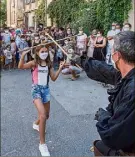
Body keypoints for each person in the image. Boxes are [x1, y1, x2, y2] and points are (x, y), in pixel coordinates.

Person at [84, 31, 135, 156]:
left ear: (117, 55)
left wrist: (103, 116)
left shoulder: (132, 89)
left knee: (100, 146)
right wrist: (83, 61)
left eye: (112, 51)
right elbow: (105, 70)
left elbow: (113, 135)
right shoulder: (126, 74)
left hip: (129, 147)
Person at [18, 46, 65, 156]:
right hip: (36, 90)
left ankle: (36, 124)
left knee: (46, 115)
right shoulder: (34, 63)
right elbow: (20, 66)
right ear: (37, 53)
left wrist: (60, 68)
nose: (44, 53)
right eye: (42, 51)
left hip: (46, 90)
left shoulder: (49, 64)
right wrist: (23, 55)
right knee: (43, 115)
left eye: (46, 51)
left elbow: (53, 78)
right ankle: (42, 145)